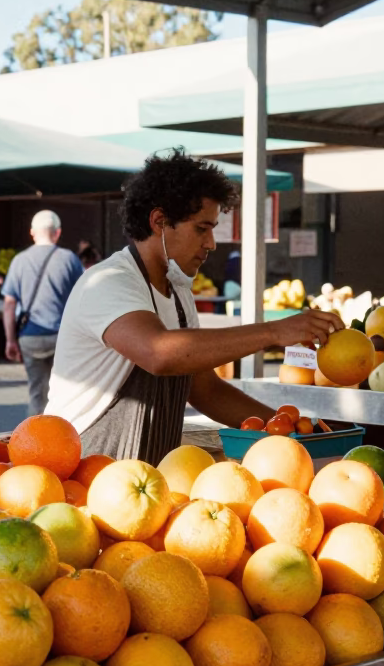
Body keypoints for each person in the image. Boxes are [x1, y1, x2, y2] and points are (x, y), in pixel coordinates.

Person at [46, 150, 342, 465]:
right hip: (77, 469)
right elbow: (159, 352)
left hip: (141, 480)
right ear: (159, 222)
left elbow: (205, 389)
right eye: (202, 229)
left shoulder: (178, 291)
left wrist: (290, 430)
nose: (211, 243)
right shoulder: (108, 282)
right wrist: (273, 331)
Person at [2, 210, 84, 417]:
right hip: (63, 337)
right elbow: (84, 298)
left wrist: (10, 340)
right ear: (57, 233)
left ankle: (33, 443)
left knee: (37, 394)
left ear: (32, 233)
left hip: (29, 336)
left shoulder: (19, 261)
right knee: (67, 393)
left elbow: (9, 304)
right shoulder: (69, 259)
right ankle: (67, 439)